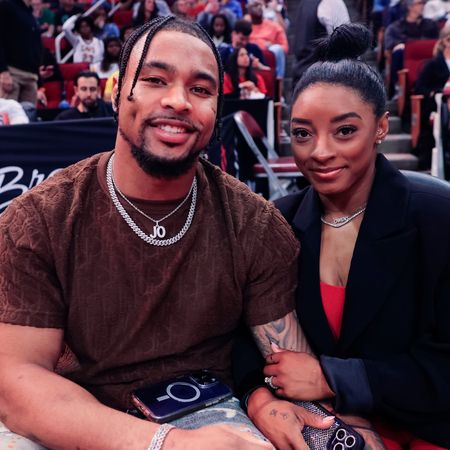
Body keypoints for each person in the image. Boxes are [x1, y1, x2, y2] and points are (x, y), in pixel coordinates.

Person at [0, 16, 330, 450]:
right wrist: (164, 443)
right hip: (75, 418)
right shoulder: (38, 221)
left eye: (201, 89)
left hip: (212, 417)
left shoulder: (255, 224)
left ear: (217, 108)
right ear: (118, 93)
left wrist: (272, 405)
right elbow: (17, 383)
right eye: (155, 79)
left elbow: (284, 364)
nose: (178, 101)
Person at [240, 22, 450, 450]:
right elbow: (244, 342)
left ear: (380, 127)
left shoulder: (438, 216)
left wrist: (331, 378)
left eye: (344, 131)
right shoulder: (278, 220)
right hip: (323, 432)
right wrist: (257, 397)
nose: (319, 151)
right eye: (302, 134)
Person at [384, 0, 439, 97]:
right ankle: (398, 87)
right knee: (399, 51)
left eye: (423, 3)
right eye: (419, 3)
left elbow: (436, 43)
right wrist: (400, 45)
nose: (423, 6)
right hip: (406, 63)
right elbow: (389, 43)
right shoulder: (396, 27)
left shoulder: (430, 25)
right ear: (410, 7)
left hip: (429, 63)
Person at [414, 24, 450, 169]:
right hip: (436, 106)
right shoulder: (433, 64)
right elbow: (420, 88)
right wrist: (437, 92)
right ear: (446, 42)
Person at [291, 0, 350, 85]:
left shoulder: (304, 4)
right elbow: (346, 44)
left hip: (302, 76)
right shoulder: (332, 2)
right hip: (325, 79)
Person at [0, 0, 42, 104]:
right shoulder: (6, 6)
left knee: (29, 118)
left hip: (31, 77)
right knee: (8, 117)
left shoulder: (29, 12)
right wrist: (3, 72)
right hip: (12, 74)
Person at [246, 0, 288, 78]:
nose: (256, 9)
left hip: (268, 57)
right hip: (250, 56)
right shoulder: (246, 26)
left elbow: (284, 48)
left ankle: (279, 84)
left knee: (277, 49)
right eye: (254, 7)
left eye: (258, 6)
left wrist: (271, 46)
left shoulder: (274, 26)